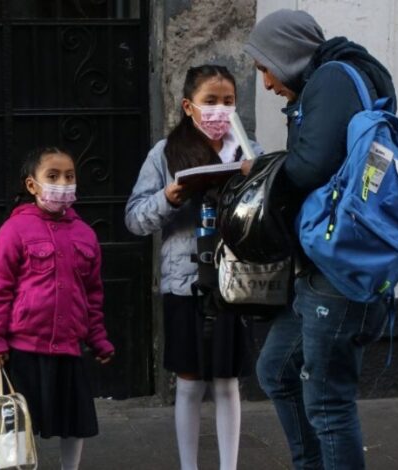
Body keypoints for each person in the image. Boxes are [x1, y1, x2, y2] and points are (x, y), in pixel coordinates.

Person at [243, 9, 394, 470]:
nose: (267, 83)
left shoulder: (331, 79)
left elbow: (310, 166)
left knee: (328, 403)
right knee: (276, 370)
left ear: (287, 55)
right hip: (322, 261)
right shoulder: (332, 80)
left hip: (339, 265)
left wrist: (263, 172)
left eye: (267, 67)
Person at [125, 65, 262, 470]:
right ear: (189, 106)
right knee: (189, 381)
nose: (220, 110)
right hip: (184, 282)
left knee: (226, 380)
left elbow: (269, 212)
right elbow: (134, 219)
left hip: (233, 280)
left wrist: (255, 181)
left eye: (228, 101)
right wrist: (168, 198)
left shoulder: (248, 150)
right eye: (210, 101)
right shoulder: (165, 153)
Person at [0, 147, 115, 470]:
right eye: (52, 177)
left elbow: (92, 295)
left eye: (69, 176)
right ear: (32, 185)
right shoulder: (14, 231)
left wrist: (98, 339)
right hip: (25, 347)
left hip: (69, 347)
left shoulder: (85, 235)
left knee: (74, 420)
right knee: (18, 425)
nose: (62, 183)